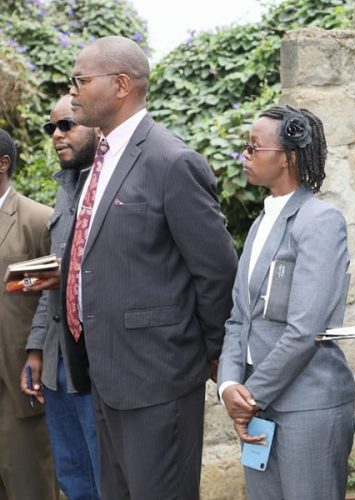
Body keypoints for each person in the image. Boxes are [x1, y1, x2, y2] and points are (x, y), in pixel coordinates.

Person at [62, 36, 238, 499]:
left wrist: (208, 352)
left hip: (158, 379)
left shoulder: (171, 161)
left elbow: (216, 271)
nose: (73, 89)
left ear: (121, 85)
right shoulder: (96, 163)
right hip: (105, 372)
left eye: (81, 79)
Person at [218, 105, 355, 500]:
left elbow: (305, 328)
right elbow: (238, 319)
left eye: (253, 147)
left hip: (307, 408)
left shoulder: (320, 221)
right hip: (257, 407)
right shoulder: (262, 222)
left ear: (288, 158)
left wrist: (250, 396)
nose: (244, 154)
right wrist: (230, 385)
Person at [20, 95, 101, 500]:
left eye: (66, 125)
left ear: (97, 123)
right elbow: (53, 276)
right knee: (72, 476)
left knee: (106, 474)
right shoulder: (66, 187)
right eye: (50, 128)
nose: (56, 135)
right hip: (57, 361)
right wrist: (36, 348)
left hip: (96, 358)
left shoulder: (110, 182)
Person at [0, 128, 59, 499]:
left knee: (29, 486)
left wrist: (36, 354)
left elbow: (50, 300)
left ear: (3, 164)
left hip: (16, 384)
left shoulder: (39, 220)